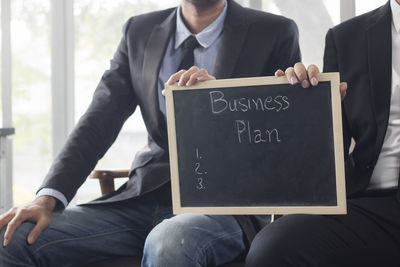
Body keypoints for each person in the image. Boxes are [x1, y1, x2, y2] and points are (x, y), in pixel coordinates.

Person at [0, 0, 301, 266]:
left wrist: (215, 103)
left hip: (223, 209)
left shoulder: (273, 32)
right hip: (142, 199)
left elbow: (280, 137)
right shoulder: (138, 31)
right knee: (12, 236)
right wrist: (46, 198)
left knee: (170, 242)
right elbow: (97, 122)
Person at [245, 0, 400, 266]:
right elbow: (327, 157)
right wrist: (303, 108)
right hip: (375, 206)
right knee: (272, 247)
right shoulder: (347, 37)